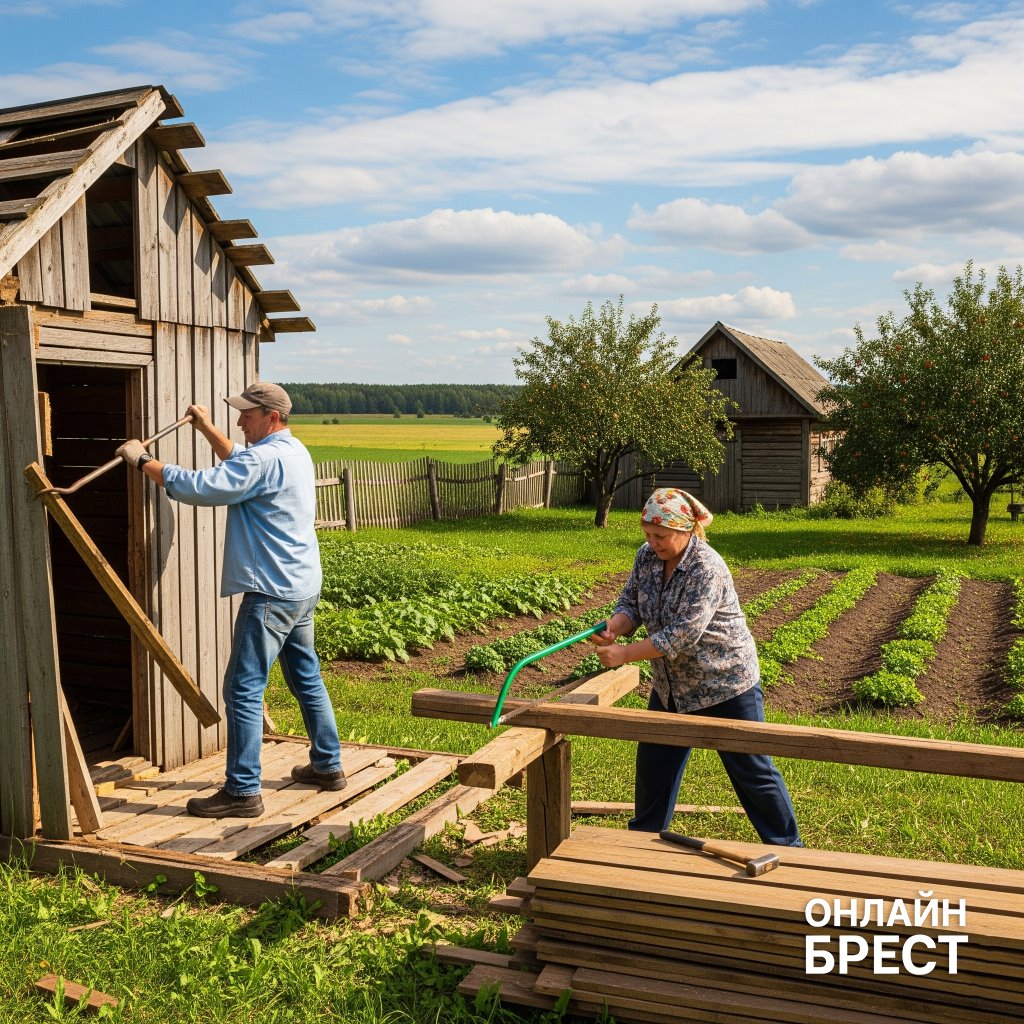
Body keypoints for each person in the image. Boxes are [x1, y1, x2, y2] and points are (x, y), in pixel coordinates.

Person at [115, 382, 344, 819]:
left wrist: (143, 460)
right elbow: (241, 462)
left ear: (272, 418)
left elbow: (203, 487)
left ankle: (242, 791)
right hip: (300, 586)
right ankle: (327, 766)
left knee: (242, 689)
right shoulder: (292, 451)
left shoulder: (264, 459)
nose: (239, 422)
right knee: (306, 677)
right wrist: (206, 428)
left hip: (271, 592)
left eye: (247, 415)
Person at [591, 487, 801, 846]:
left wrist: (624, 655)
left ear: (685, 530)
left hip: (725, 683)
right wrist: (616, 627)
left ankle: (788, 847)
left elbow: (683, 634)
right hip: (672, 686)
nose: (652, 542)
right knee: (655, 766)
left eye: (660, 535)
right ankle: (642, 843)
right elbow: (631, 603)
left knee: (751, 769)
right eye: (647, 534)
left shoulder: (707, 567)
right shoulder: (646, 557)